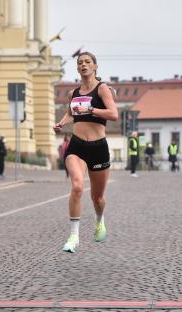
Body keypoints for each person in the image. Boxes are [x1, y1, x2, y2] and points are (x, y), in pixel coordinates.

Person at [53, 51, 118, 253]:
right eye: (80, 62)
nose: (83, 65)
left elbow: (114, 114)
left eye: (87, 62)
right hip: (77, 146)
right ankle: (73, 236)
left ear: (95, 66)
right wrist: (61, 123)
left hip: (98, 148)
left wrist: (92, 110)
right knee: (78, 187)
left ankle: (100, 221)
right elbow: (71, 112)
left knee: (97, 198)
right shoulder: (74, 93)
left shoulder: (102, 89)